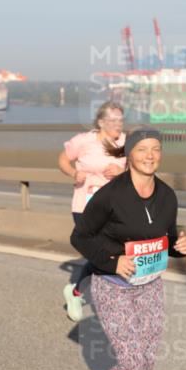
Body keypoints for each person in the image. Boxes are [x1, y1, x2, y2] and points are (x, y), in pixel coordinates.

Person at [71, 127, 186, 370]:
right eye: (142, 149)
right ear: (130, 155)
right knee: (131, 361)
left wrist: (180, 246)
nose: (150, 155)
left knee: (146, 364)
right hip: (112, 285)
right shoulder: (111, 195)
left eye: (156, 149)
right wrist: (112, 262)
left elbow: (166, 238)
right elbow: (80, 236)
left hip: (150, 285)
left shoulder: (167, 195)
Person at [57, 102, 126, 321]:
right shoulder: (84, 140)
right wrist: (73, 173)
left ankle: (76, 292)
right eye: (113, 120)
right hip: (85, 206)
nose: (118, 124)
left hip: (114, 208)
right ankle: (87, 296)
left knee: (110, 255)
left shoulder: (124, 142)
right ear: (101, 122)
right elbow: (63, 159)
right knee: (103, 255)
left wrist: (122, 171)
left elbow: (138, 167)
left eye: (121, 120)